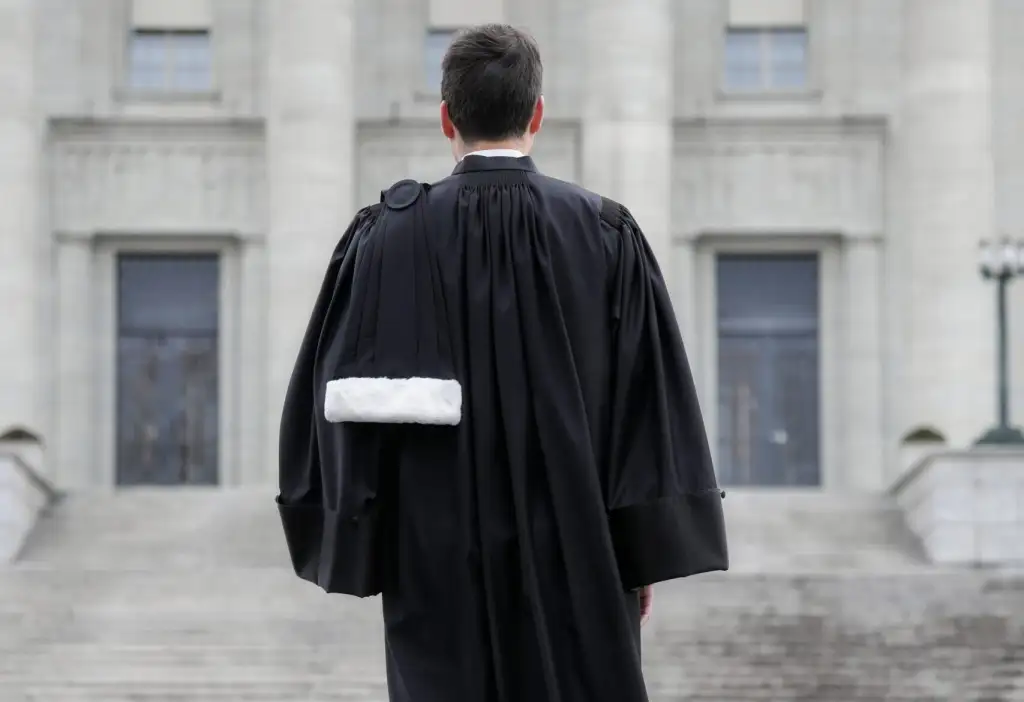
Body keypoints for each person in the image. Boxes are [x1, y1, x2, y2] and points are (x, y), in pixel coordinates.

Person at [276, 23, 728, 702]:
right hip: (579, 559)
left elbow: (332, 405)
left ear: (446, 120)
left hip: (431, 572)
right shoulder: (607, 236)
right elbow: (648, 412)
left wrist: (362, 541)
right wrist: (640, 555)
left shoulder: (383, 239)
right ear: (537, 113)